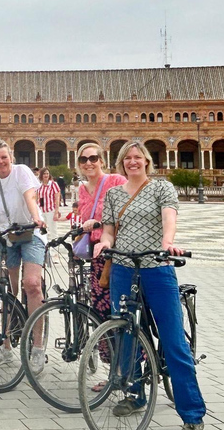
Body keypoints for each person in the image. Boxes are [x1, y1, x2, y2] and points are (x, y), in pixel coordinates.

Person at [93, 142, 205, 428]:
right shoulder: (114, 194)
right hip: (123, 270)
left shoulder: (161, 188)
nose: (133, 162)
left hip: (157, 269)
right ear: (121, 163)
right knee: (127, 335)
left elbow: (169, 216)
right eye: (127, 158)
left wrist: (167, 243)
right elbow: (108, 230)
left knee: (173, 341)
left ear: (146, 161)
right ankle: (135, 394)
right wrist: (104, 244)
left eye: (137, 158)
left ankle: (192, 413)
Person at [0, 137, 46, 373]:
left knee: (32, 284)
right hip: (6, 237)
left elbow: (30, 197)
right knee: (8, 291)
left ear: (11, 157)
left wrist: (36, 217)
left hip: (30, 232)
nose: (1, 161)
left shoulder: (22, 172)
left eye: (4, 157)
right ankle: (6, 347)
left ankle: (37, 348)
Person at [75, 143, 127, 333]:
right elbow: (84, 218)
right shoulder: (82, 189)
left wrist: (100, 222)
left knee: (122, 305)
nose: (88, 163)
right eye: (83, 159)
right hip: (98, 256)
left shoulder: (116, 180)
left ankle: (133, 355)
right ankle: (110, 355)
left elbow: (128, 210)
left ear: (102, 161)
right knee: (100, 307)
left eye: (93, 158)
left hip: (119, 252)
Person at [37, 167, 61, 239]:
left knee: (53, 231)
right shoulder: (39, 185)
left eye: (47, 173)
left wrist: (56, 212)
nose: (46, 175)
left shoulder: (53, 184)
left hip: (50, 210)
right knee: (42, 231)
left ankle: (56, 248)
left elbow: (57, 199)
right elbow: (37, 197)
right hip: (41, 210)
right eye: (44, 174)